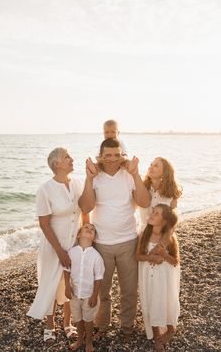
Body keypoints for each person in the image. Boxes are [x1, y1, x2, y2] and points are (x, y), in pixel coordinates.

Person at [78, 138, 150, 341]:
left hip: (128, 241)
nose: (112, 159)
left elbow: (144, 202)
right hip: (102, 244)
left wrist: (136, 174)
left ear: (122, 155)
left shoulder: (129, 176)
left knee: (128, 289)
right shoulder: (96, 177)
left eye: (117, 155)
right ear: (100, 156)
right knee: (102, 290)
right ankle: (101, 325)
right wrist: (89, 180)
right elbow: (85, 207)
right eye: (108, 155)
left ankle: (127, 327)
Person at [27, 147, 88, 342]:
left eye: (70, 155)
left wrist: (86, 237)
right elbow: (44, 224)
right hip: (54, 245)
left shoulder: (78, 184)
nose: (71, 159)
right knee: (52, 284)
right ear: (56, 164)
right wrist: (60, 251)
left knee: (70, 283)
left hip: (75, 242)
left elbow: (86, 210)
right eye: (66, 157)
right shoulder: (45, 189)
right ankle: (50, 324)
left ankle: (67, 323)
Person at [136, 204, 180, 352]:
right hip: (149, 277)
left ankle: (170, 328)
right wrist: (151, 257)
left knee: (166, 302)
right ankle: (156, 336)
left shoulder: (170, 238)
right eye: (152, 212)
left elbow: (175, 261)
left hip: (165, 278)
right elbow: (137, 256)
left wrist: (165, 255)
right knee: (152, 302)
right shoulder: (144, 234)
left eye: (156, 213)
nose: (152, 214)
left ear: (165, 221)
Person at [64, 222, 105, 352]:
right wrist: (67, 286)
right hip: (75, 293)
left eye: (92, 229)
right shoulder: (71, 252)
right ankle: (79, 340)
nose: (89, 229)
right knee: (78, 318)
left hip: (89, 295)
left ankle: (88, 342)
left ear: (94, 237)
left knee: (88, 320)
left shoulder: (96, 256)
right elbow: (66, 269)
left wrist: (94, 295)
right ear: (78, 235)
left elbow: (99, 277)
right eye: (86, 228)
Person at [139, 157, 182, 231]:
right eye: (151, 164)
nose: (151, 167)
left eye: (156, 166)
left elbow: (173, 220)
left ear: (165, 172)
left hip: (162, 234)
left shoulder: (171, 193)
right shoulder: (142, 188)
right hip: (143, 233)